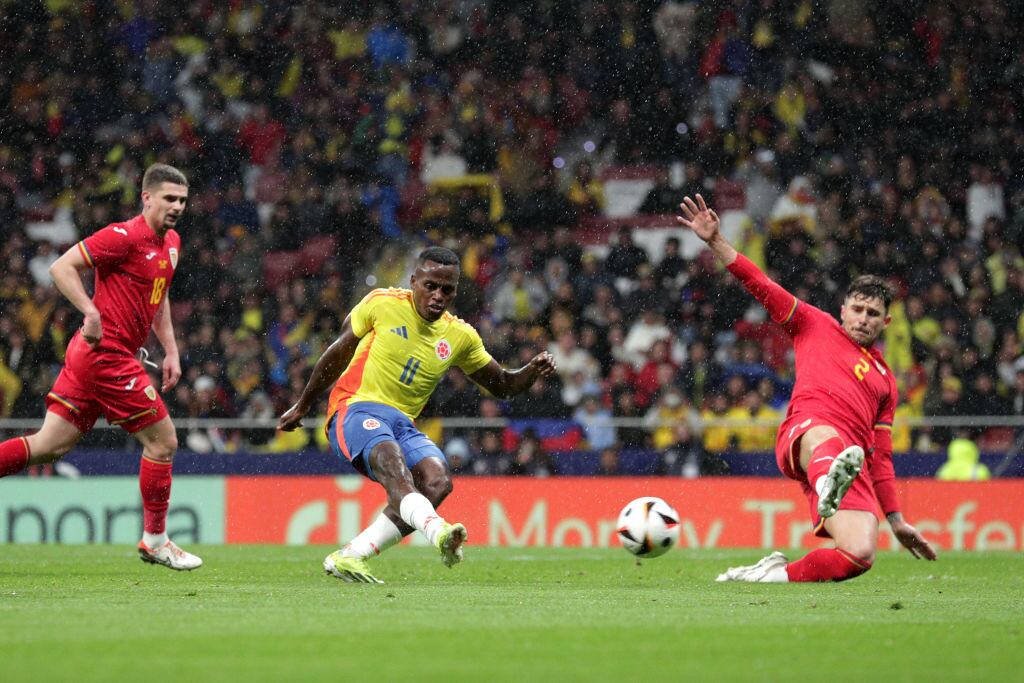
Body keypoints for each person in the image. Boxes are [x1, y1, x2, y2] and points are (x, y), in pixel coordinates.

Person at [675, 195, 936, 583]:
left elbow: (880, 457)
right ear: (844, 308)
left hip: (851, 465)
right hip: (806, 434)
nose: (863, 319)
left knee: (859, 553)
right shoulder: (815, 324)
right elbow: (760, 284)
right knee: (827, 435)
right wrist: (716, 241)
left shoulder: (886, 381)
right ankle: (830, 473)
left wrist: (896, 519)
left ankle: (769, 576)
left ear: (886, 322)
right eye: (858, 310)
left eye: (873, 314)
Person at [277, 247, 557, 584]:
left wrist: (531, 370)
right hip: (354, 408)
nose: (438, 296)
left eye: (447, 289)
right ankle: (438, 532)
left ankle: (350, 556)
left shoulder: (460, 336)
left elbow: (503, 386)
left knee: (437, 481)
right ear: (413, 281)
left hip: (401, 424)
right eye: (430, 285)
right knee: (391, 460)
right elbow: (338, 351)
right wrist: (304, 404)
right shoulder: (382, 303)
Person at [0, 163, 201, 570]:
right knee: (163, 443)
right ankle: (155, 540)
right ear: (146, 198)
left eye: (182, 200)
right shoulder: (123, 237)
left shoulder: (172, 243)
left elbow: (157, 297)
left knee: (48, 446)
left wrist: (172, 350)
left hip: (95, 357)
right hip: (106, 354)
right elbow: (62, 268)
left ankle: (155, 540)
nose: (177, 206)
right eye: (169, 199)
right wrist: (90, 310)